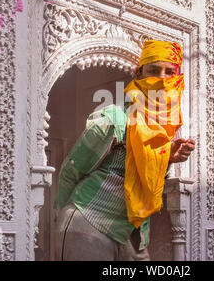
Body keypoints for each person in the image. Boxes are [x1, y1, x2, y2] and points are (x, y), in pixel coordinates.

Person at [54, 40, 195, 261]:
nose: (162, 78)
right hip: (88, 223)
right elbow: (71, 170)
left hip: (133, 234)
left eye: (170, 72)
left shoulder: (165, 127)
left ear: (178, 78)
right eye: (154, 70)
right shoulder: (113, 119)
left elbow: (145, 180)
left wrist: (168, 159)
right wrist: (60, 214)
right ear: (139, 75)